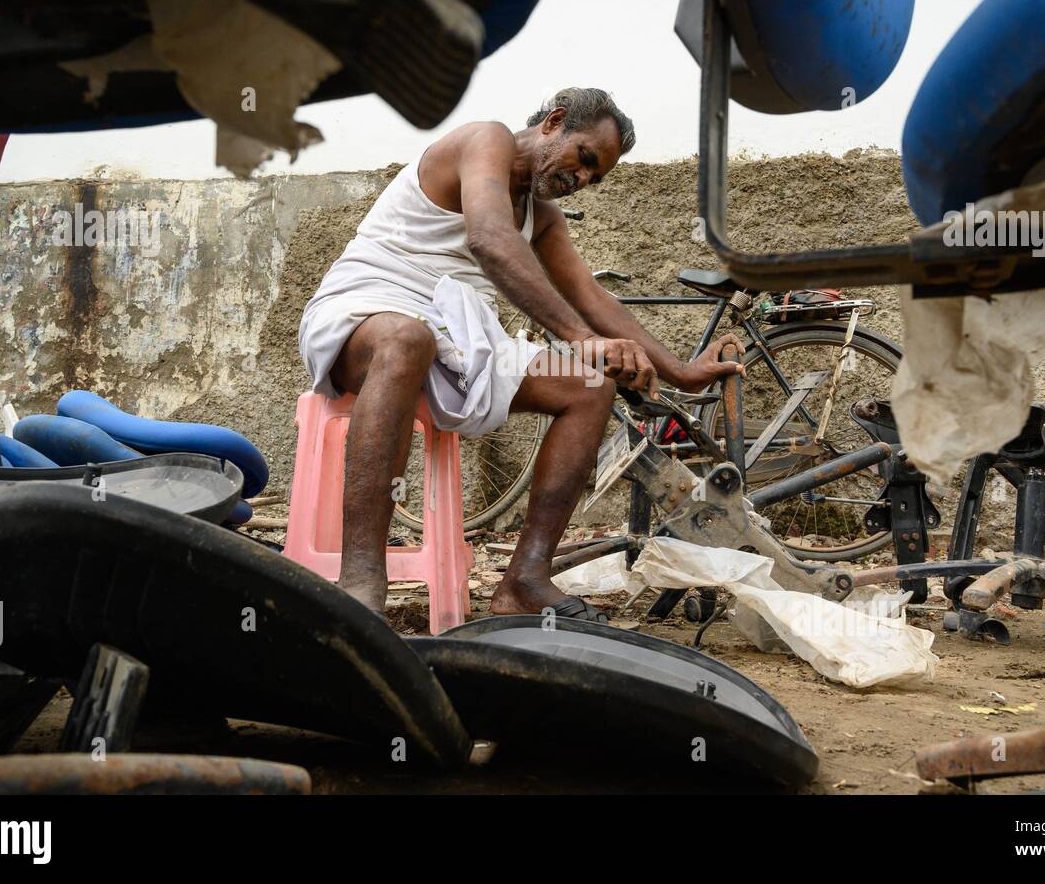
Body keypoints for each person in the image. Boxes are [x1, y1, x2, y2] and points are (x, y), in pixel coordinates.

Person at [299, 87, 743, 620]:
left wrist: (681, 372)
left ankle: (525, 579)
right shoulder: (485, 140)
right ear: (554, 122)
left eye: (593, 178)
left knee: (589, 386)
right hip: (365, 314)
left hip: (461, 341)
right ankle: (361, 576)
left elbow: (591, 296)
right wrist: (581, 338)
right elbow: (489, 238)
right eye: (584, 160)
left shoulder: (542, 214)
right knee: (407, 338)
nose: (581, 180)